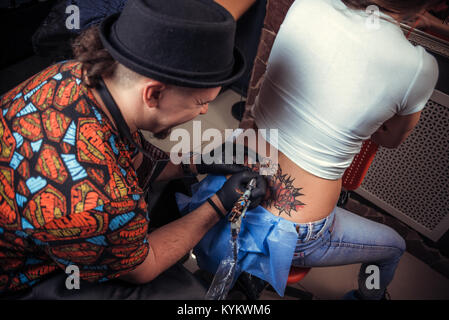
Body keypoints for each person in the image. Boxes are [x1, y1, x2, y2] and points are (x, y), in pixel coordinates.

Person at [0, 0, 267, 299]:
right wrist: (219, 205)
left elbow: (129, 156)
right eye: (199, 102)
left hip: (57, 220)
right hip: (21, 278)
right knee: (184, 295)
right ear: (153, 93)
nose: (204, 112)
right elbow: (145, 266)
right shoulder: (96, 201)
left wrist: (193, 163)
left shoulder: (70, 74)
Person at [243, 0, 440, 299]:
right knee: (393, 248)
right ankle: (367, 296)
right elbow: (389, 140)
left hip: (233, 188)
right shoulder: (419, 67)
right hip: (291, 232)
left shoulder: (307, 3)